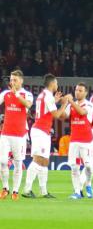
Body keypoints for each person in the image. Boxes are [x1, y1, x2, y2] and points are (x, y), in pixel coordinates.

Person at [23, 74, 68, 199]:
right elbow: (57, 115)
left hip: (44, 131)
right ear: (52, 83)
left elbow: (46, 109)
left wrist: (56, 101)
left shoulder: (44, 95)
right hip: (40, 131)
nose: (57, 85)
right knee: (38, 159)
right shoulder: (47, 96)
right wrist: (64, 104)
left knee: (45, 161)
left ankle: (44, 191)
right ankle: (27, 189)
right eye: (56, 83)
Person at [0, 70, 34, 200]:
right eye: (11, 80)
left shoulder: (27, 94)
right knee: (3, 162)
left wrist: (17, 95)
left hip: (20, 135)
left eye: (15, 80)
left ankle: (15, 191)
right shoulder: (6, 94)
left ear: (21, 81)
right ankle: (5, 188)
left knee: (18, 163)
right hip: (5, 133)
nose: (12, 82)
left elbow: (28, 105)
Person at [63, 83, 93, 199]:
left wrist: (70, 102)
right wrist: (63, 103)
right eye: (76, 90)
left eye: (80, 90)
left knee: (89, 167)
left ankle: (88, 184)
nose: (77, 92)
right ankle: (77, 191)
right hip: (74, 140)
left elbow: (82, 112)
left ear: (85, 93)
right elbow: (63, 116)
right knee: (74, 167)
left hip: (87, 141)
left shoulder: (89, 105)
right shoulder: (71, 105)